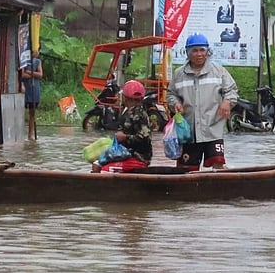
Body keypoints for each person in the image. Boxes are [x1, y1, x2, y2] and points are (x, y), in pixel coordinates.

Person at [167, 33, 239, 170]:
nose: (199, 54)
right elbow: (171, 94)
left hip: (213, 128)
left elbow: (231, 90)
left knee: (218, 163)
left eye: (202, 50)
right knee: (186, 169)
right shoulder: (179, 74)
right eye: (194, 50)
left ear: (207, 52)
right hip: (188, 131)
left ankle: (218, 190)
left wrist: (227, 101)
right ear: (187, 53)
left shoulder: (219, 71)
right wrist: (175, 103)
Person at [92, 80, 153, 173]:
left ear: (126, 97)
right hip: (126, 154)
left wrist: (125, 138)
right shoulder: (127, 112)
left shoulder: (140, 115)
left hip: (138, 158)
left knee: (104, 170)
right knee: (96, 164)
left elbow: (145, 139)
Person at [20, 48, 43, 140]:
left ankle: (30, 134)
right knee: (22, 112)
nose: (36, 53)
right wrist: (34, 74)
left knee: (32, 112)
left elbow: (40, 75)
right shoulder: (23, 61)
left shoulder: (38, 61)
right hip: (25, 89)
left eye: (37, 51)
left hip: (35, 89)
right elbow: (22, 75)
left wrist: (29, 72)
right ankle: (21, 133)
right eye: (34, 51)